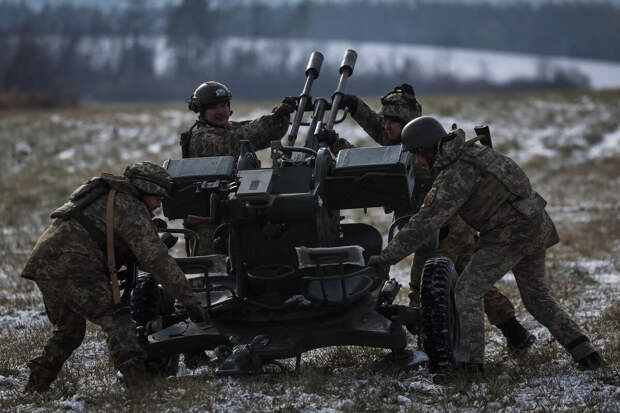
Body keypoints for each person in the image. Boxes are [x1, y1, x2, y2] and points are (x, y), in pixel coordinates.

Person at [368, 116, 603, 374]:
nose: (417, 162)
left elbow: (422, 224)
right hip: (536, 224)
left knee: (467, 291)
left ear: (427, 149)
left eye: (416, 154)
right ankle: (587, 354)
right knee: (537, 298)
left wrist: (383, 259)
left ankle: (471, 367)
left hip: (509, 235)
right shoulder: (473, 153)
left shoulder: (455, 174)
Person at [319, 84, 534, 351]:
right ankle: (514, 332)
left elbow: (373, 170)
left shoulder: (418, 157)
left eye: (392, 122)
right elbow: (380, 128)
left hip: (442, 228)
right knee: (468, 280)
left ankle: (433, 345)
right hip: (444, 226)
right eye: (386, 121)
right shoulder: (409, 141)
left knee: (425, 287)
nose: (385, 126)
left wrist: (337, 145)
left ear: (407, 125)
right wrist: (355, 106)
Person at [21, 162, 206, 393]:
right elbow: (157, 260)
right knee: (118, 321)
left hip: (44, 263)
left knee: (70, 332)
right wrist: (190, 302)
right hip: (74, 264)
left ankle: (35, 387)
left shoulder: (110, 196)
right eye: (157, 198)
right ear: (145, 189)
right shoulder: (129, 207)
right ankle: (140, 387)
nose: (159, 205)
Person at [180, 81, 296, 255]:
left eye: (223, 105)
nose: (221, 111)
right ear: (201, 111)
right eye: (214, 107)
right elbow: (243, 138)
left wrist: (280, 116)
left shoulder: (226, 129)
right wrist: (275, 118)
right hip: (210, 228)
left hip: (234, 215)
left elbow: (264, 132)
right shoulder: (202, 138)